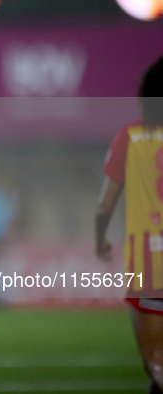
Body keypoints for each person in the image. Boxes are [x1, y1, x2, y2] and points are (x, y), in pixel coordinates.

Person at [96, 56, 163, 394]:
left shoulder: (131, 137)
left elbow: (105, 204)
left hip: (150, 259)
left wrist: (100, 238)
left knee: (156, 363)